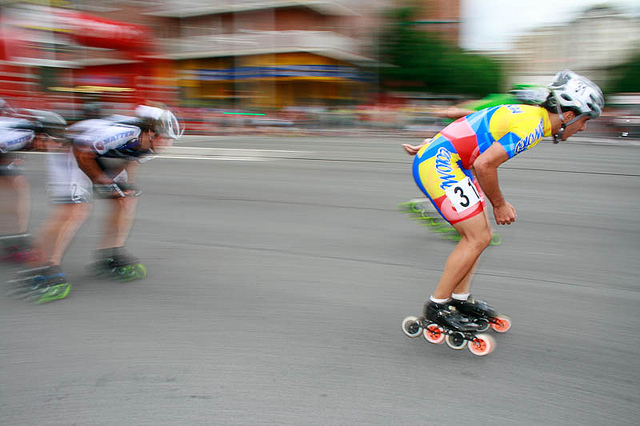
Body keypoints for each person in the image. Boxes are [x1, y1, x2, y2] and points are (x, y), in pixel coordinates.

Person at [401, 70, 605, 348]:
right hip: (443, 164)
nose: (582, 129)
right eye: (584, 121)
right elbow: (485, 164)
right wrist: (500, 204)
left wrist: (434, 142)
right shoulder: (531, 126)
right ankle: (437, 306)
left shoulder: (530, 115)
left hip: (450, 160)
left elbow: (474, 121)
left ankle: (459, 299)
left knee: (480, 235)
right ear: (569, 115)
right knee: (478, 237)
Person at [9, 104, 182, 304]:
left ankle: (110, 256)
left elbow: (128, 161)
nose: (168, 143)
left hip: (94, 155)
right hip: (72, 152)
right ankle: (42, 269)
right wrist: (103, 181)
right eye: (166, 137)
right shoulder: (122, 133)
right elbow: (83, 154)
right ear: (150, 132)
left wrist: (122, 187)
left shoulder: (149, 144)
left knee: (126, 200)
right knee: (74, 211)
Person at [0, 105, 67, 264]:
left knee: (16, 184)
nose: (56, 146)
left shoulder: (24, 135)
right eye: (54, 140)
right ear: (42, 135)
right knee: (15, 184)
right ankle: (15, 239)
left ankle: (16, 238)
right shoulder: (15, 137)